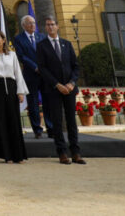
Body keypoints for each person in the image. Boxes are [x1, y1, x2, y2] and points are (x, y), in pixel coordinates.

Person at [37, 17, 85, 165]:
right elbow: (43, 69)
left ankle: (76, 152)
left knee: (71, 120)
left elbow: (75, 66)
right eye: (47, 25)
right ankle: (62, 152)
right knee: (57, 121)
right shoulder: (42, 46)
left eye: (52, 25)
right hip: (53, 89)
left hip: (69, 89)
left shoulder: (67, 44)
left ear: (57, 27)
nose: (50, 27)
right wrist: (57, 85)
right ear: (45, 28)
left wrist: (71, 83)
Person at [0, 30, 28, 163]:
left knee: (14, 121)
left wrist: (20, 91)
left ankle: (18, 155)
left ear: (3, 40)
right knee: (1, 121)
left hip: (12, 87)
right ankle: (6, 155)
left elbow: (18, 73)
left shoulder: (12, 55)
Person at [12, 14, 47, 138]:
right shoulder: (18, 39)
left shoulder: (41, 37)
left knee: (47, 102)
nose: (33, 25)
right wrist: (35, 67)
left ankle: (51, 128)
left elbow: (46, 53)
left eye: (33, 22)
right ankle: (37, 130)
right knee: (32, 104)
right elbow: (21, 56)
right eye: (30, 23)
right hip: (30, 74)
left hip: (44, 74)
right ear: (24, 25)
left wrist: (43, 68)